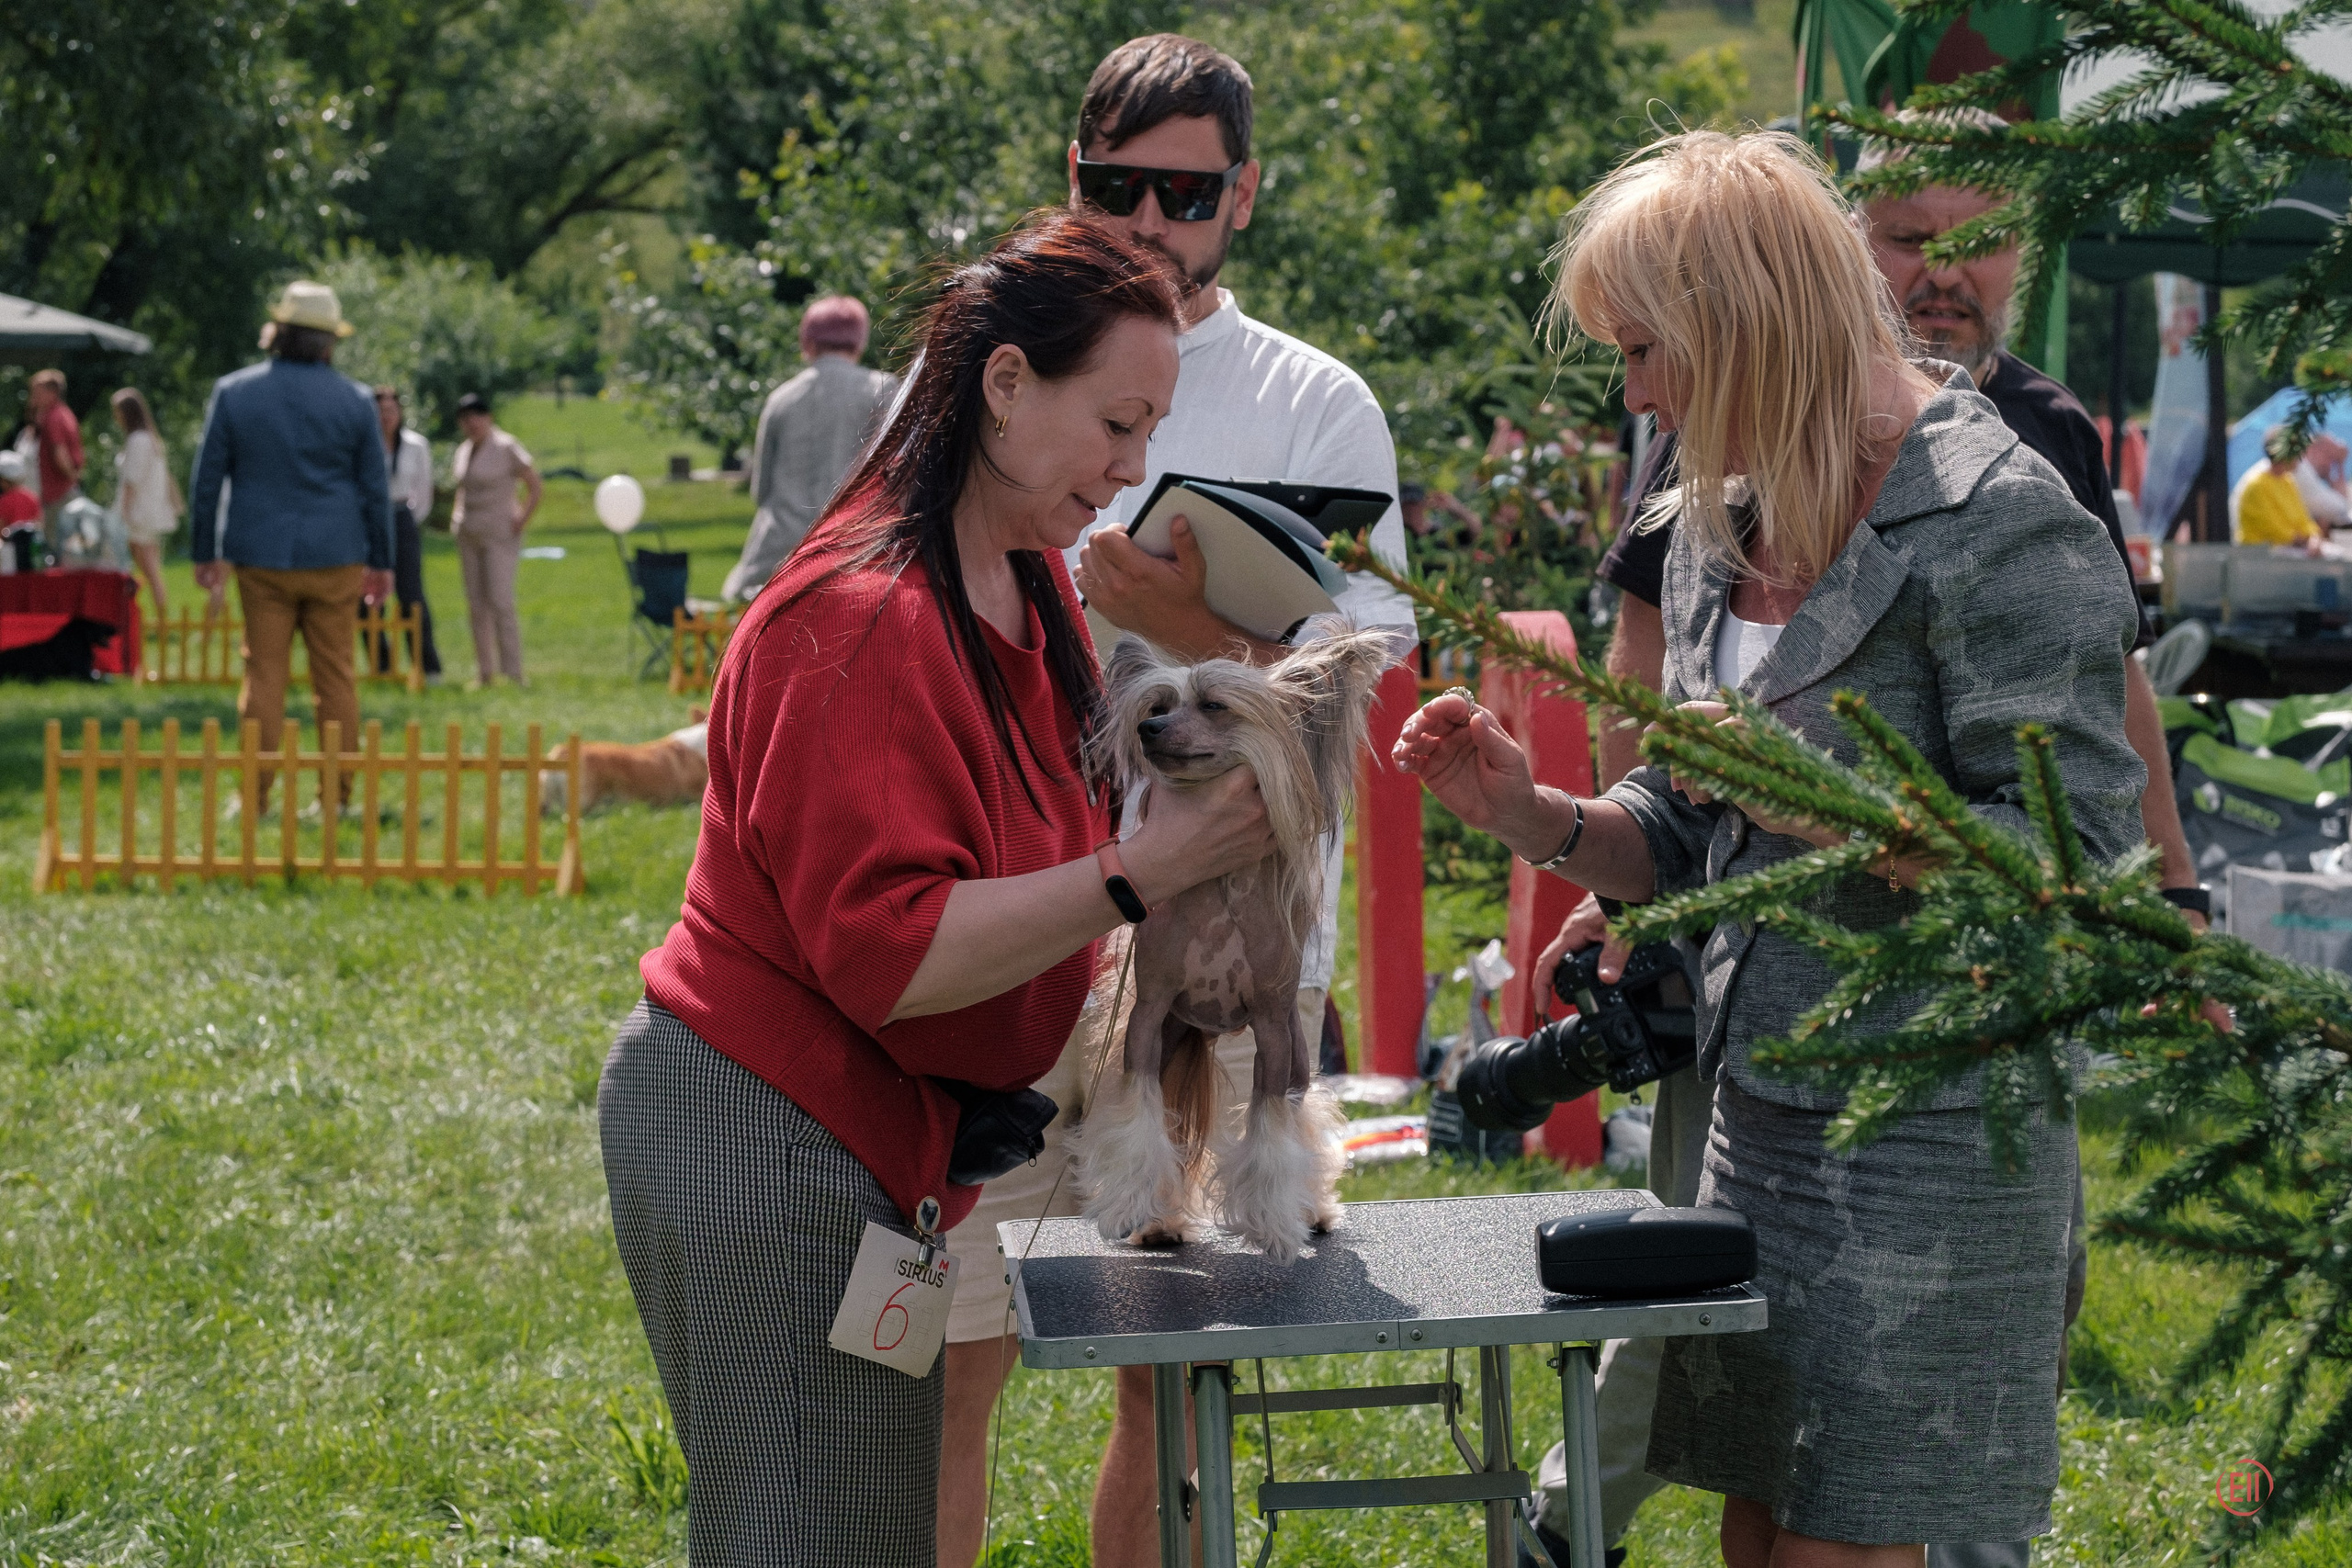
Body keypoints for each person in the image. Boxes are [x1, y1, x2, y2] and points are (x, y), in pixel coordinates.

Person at [1409, 130, 2144, 1568]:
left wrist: (1832, 812)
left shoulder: (2004, 526)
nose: (1634, 393)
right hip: (1760, 1122)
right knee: (1757, 1535)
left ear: (1745, 322)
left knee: (1834, 1552)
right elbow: (1691, 829)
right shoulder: (1710, 523)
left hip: (1937, 1142)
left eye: (1645, 350)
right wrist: (1532, 815)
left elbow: (2071, 877)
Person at [598, 209, 1277, 1568]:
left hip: (862, 1146)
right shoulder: (860, 618)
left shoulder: (1022, 587)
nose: (1134, 469)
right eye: (1118, 424)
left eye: (1151, 435)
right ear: (1007, 384)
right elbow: (894, 956)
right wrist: (1140, 875)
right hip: (769, 1140)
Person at [932, 36, 1417, 1568]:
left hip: (1223, 953)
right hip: (1008, 932)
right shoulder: (982, 362)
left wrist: (1180, 623)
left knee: (1171, 1379)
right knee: (954, 1352)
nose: (1147, 220)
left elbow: (1361, 694)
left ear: (1245, 197)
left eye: (1186, 193)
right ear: (1070, 176)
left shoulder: (1313, 405)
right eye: (1112, 185)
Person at [188, 280, 394, 813]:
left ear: (277, 332)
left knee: (264, 677)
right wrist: (383, 560)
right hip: (339, 553)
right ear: (330, 343)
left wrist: (202, 551)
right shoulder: (355, 400)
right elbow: (376, 488)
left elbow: (207, 479)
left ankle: (253, 798)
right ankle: (337, 800)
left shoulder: (234, 393)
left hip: (261, 556)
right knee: (337, 677)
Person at [720, 295, 899, 601]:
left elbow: (761, 492)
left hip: (777, 563)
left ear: (808, 341)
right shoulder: (883, 392)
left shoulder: (782, 400)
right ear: (859, 342)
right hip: (854, 556)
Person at [449, 391, 541, 688]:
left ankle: (514, 672)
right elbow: (463, 489)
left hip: (499, 532)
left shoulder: (506, 446)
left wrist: (521, 518)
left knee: (500, 600)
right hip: (469, 532)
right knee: (476, 604)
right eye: (466, 418)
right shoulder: (464, 450)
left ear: (488, 418)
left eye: (477, 416)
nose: (472, 423)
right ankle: (485, 672)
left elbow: (534, 484)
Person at [373, 386, 443, 679]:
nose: (387, 417)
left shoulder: (415, 444)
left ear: (400, 413)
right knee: (368, 596)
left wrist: (412, 519)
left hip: (403, 516)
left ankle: (427, 666)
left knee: (411, 594)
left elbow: (425, 489)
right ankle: (383, 665)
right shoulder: (365, 444)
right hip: (373, 518)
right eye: (381, 412)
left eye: (392, 410)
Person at [110, 388, 180, 620]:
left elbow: (132, 480)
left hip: (138, 513)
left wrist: (123, 514)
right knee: (150, 568)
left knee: (148, 569)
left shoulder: (138, 440)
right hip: (148, 511)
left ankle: (159, 617)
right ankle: (155, 615)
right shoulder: (149, 438)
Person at [2234, 426, 2329, 550]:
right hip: (2263, 556)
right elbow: (2274, 530)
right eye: (2297, 452)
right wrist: (2306, 540)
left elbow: (2303, 519)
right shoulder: (2256, 486)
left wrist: (2314, 538)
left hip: (2290, 550)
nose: (2301, 457)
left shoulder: (2287, 482)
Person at [27, 368, 84, 535]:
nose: (33, 397)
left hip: (58, 491)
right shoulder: (63, 413)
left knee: (56, 542)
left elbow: (60, 453)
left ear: (52, 393)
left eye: (37, 392)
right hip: (64, 489)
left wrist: (72, 478)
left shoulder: (54, 418)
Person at [0, 449, 41, 570]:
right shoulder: (32, 498)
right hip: (30, 554)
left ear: (3, 480)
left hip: (10, 555)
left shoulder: (4, 501)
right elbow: (38, 525)